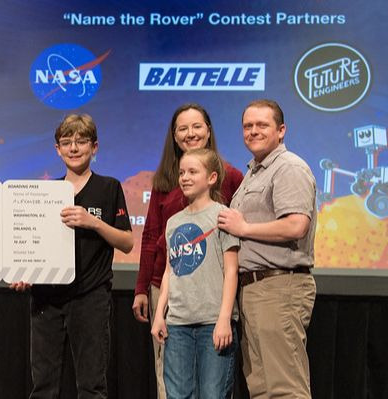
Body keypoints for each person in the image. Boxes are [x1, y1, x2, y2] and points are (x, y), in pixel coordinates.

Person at [10, 113, 133, 399]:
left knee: (91, 386)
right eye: (66, 142)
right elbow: (31, 243)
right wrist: (24, 273)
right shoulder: (45, 192)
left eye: (81, 141)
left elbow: (127, 242)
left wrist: (94, 222)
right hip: (46, 298)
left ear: (95, 147)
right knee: (43, 386)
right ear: (57, 149)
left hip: (90, 297)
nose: (74, 148)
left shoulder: (109, 187)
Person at [132, 103, 243, 398]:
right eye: (183, 128)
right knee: (170, 385)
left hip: (212, 300)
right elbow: (152, 236)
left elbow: (235, 251)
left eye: (197, 126)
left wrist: (224, 316)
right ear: (174, 135)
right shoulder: (166, 181)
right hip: (173, 302)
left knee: (213, 388)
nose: (190, 133)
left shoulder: (231, 177)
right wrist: (144, 290)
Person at [217, 99, 317, 398]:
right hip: (254, 291)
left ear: (281, 130)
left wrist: (244, 228)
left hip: (279, 286)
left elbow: (296, 225)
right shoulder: (254, 172)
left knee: (285, 388)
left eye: (262, 125)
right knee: (261, 388)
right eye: (248, 126)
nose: (253, 131)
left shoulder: (289, 168)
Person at [150, 148, 240, 399]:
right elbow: (170, 271)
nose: (185, 178)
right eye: (181, 173)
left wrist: (224, 318)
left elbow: (231, 270)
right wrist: (160, 315)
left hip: (213, 321)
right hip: (178, 323)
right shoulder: (174, 222)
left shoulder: (222, 216)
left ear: (211, 178)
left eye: (192, 172)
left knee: (213, 393)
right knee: (178, 394)